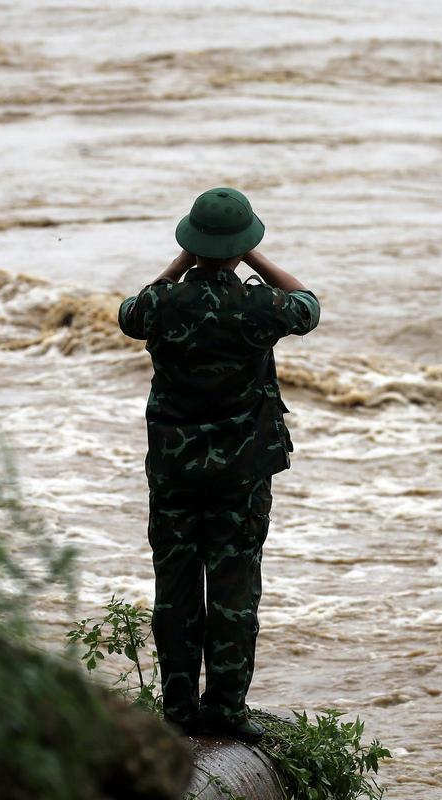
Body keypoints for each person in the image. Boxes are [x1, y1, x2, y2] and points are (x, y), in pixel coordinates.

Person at [118, 187, 320, 742]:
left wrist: (185, 259)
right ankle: (226, 711)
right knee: (233, 591)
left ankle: (178, 712)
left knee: (175, 588)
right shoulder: (259, 308)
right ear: (243, 246)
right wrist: (252, 255)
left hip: (174, 473)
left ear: (190, 241)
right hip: (241, 475)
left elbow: (129, 313)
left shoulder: (161, 305)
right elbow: (309, 305)